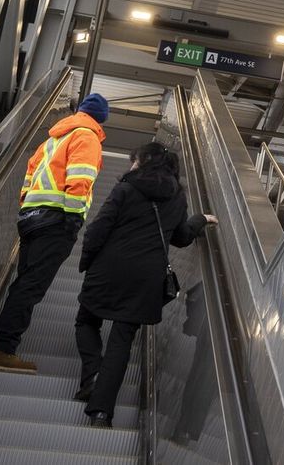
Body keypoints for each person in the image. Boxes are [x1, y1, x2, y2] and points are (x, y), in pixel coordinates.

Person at [74, 140, 213, 427]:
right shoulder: (177, 198)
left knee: (86, 320)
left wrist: (86, 260)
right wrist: (200, 220)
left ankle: (93, 374)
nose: (131, 166)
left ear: (146, 161)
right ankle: (101, 412)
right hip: (146, 278)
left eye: (135, 160)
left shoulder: (126, 188)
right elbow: (182, 237)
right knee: (122, 340)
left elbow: (98, 229)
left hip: (109, 267)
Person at [0, 92, 109, 370]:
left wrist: (26, 208)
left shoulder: (53, 139)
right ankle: (2, 349)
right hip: (56, 220)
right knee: (32, 287)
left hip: (32, 217)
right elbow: (80, 180)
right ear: (101, 120)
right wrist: (74, 218)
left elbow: (29, 174)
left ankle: (1, 345)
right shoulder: (87, 137)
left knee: (25, 283)